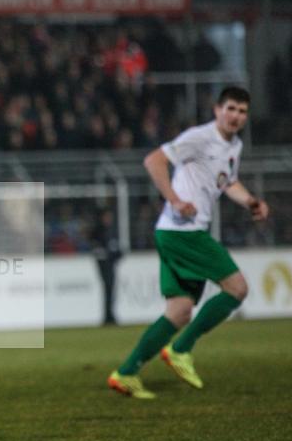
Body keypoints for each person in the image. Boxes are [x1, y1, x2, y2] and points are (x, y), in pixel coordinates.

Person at [108, 87, 269, 399]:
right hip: (185, 232)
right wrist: (175, 200)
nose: (237, 116)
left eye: (243, 111)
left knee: (180, 311)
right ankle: (181, 349)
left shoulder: (233, 145)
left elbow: (226, 181)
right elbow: (153, 160)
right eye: (231, 108)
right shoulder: (199, 137)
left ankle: (125, 373)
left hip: (173, 232)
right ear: (216, 109)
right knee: (237, 289)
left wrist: (250, 201)